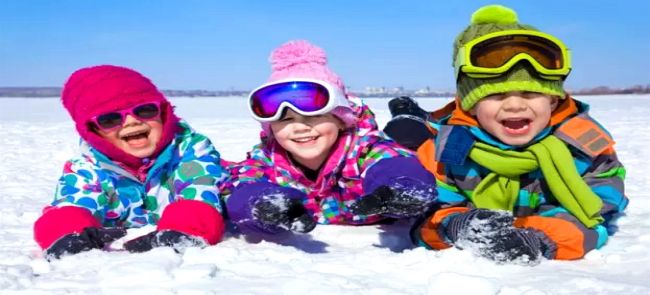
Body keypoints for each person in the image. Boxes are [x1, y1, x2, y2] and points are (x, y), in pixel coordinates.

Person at [384, 5, 628, 264]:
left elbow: (599, 209)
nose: (514, 105)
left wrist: (539, 237)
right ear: (470, 105)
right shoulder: (449, 148)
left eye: (531, 94)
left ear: (553, 102)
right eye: (496, 96)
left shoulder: (582, 145)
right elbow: (430, 215)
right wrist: (456, 225)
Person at [224, 40, 437, 235]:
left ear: (340, 119)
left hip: (406, 139)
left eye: (315, 116)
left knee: (408, 135)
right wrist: (259, 204)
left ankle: (406, 114)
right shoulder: (265, 160)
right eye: (286, 120)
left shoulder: (364, 150)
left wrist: (403, 186)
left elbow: (392, 163)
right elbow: (243, 186)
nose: (300, 127)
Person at [33, 65, 229, 258]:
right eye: (109, 119)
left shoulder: (189, 150)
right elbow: (72, 203)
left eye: (145, 110)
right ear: (92, 131)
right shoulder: (88, 168)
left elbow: (200, 188)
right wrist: (68, 232)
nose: (131, 122)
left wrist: (185, 229)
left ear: (163, 112)